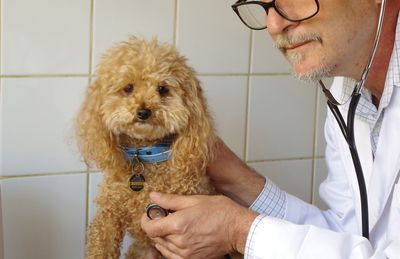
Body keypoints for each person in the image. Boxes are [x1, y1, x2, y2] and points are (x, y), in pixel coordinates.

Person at [141, 0, 400, 258]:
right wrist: (234, 177)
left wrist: (239, 232)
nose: (274, 25)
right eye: (264, 6)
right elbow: (346, 236)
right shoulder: (347, 95)